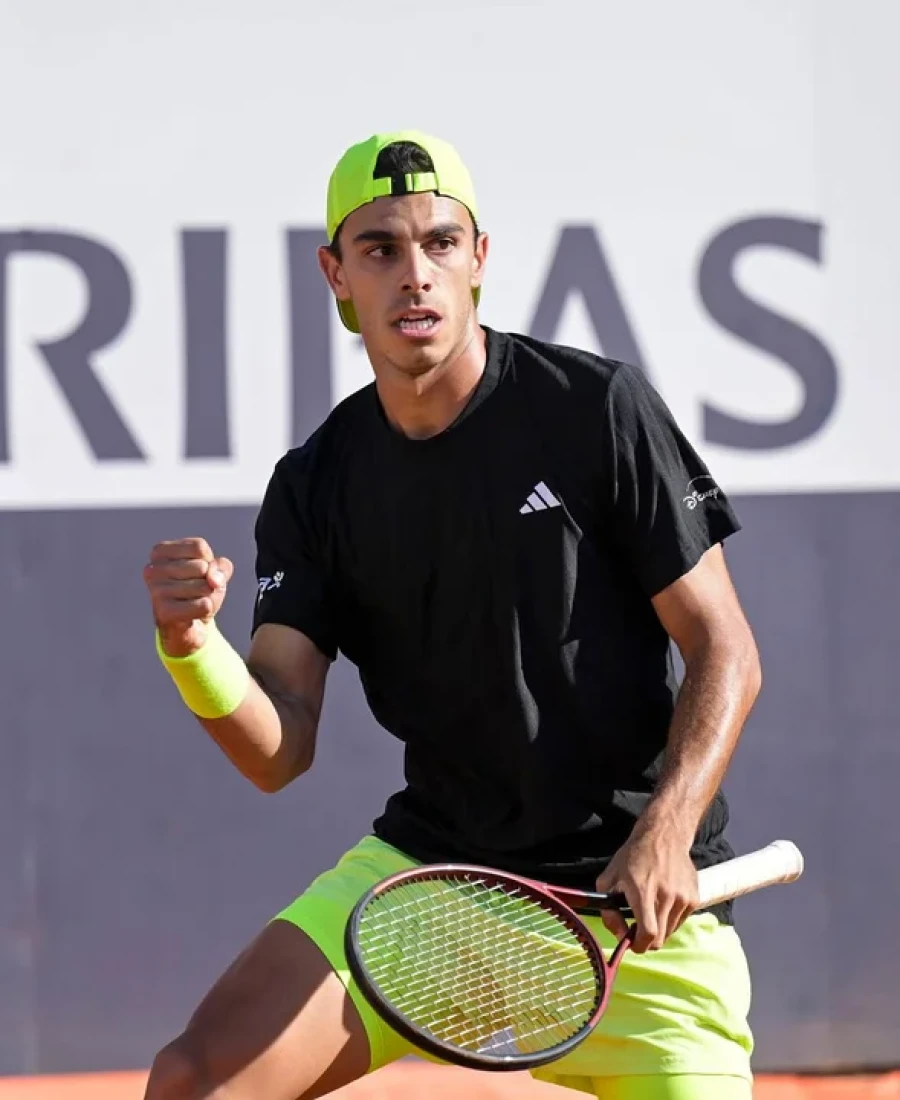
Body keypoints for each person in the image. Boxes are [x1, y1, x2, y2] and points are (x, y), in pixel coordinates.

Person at [141, 130, 762, 1100]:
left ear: (480, 259)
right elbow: (277, 747)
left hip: (638, 909)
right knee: (195, 1080)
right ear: (336, 273)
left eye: (440, 241)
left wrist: (669, 829)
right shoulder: (317, 482)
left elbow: (723, 646)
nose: (415, 273)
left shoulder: (594, 407)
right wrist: (192, 651)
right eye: (382, 247)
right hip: (433, 882)